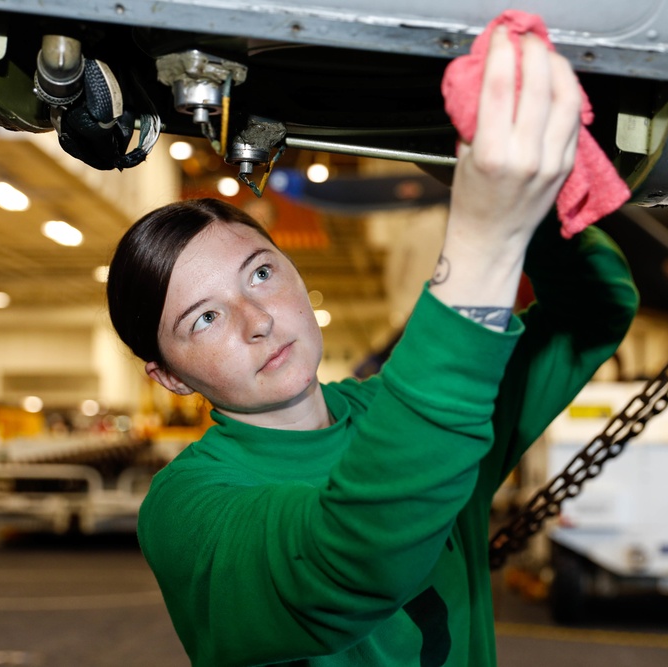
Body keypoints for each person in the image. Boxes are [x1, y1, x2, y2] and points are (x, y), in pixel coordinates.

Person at [106, 29, 638, 667]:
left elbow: (594, 311)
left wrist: (525, 190)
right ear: (169, 377)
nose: (257, 321)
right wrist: (484, 236)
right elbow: (352, 559)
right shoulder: (186, 510)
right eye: (205, 318)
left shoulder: (401, 412)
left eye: (261, 274)